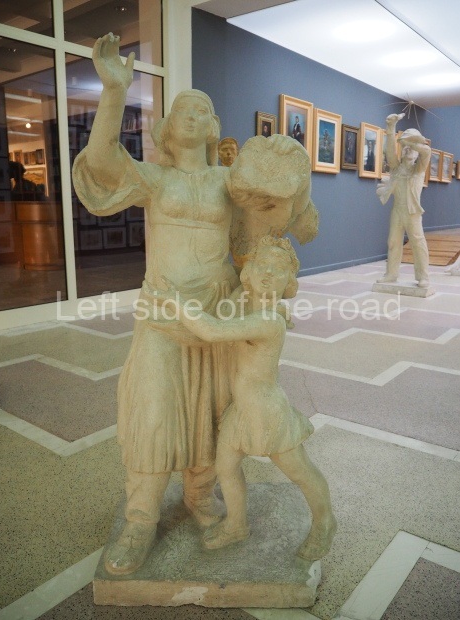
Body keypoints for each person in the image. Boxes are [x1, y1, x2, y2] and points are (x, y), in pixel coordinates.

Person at [72, 33, 314, 576]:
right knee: (155, 406)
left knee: (211, 410)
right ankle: (140, 518)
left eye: (202, 109)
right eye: (183, 108)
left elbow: (275, 218)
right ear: (166, 128)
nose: (192, 113)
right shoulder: (155, 178)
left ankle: (200, 496)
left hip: (221, 307)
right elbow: (102, 162)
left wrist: (287, 187)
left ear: (213, 128)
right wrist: (114, 91)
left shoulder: (230, 182)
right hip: (165, 309)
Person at [154, 236, 337, 559]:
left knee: (299, 470)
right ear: (248, 273)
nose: (268, 273)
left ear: (289, 282)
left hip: (266, 411)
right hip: (241, 408)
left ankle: (325, 522)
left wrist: (174, 301)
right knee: (226, 467)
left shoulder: (269, 322)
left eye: (278, 269)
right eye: (261, 265)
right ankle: (237, 524)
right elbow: (227, 309)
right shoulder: (246, 302)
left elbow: (212, 330)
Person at [376, 113, 431, 287]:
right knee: (393, 242)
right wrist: (391, 128)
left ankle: (423, 277)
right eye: (405, 147)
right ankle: (391, 274)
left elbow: (427, 151)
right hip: (397, 210)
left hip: (413, 212)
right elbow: (389, 151)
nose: (408, 150)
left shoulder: (418, 169)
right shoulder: (396, 168)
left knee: (417, 242)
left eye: (412, 148)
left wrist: (411, 142)